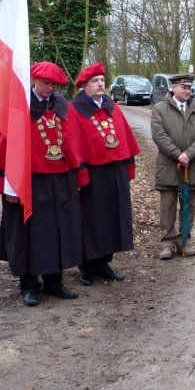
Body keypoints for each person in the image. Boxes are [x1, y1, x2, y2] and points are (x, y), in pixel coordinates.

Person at [0, 61, 88, 307]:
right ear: (34, 80)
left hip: (60, 180)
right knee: (29, 234)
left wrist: (78, 176)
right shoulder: (18, 106)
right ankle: (29, 285)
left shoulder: (63, 105)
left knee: (58, 232)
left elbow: (75, 142)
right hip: (28, 182)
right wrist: (8, 186)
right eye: (45, 83)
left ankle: (54, 282)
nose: (49, 88)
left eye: (53, 84)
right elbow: (4, 149)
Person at [69, 62, 140, 286]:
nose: (100, 84)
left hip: (115, 171)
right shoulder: (75, 109)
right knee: (91, 218)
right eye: (95, 81)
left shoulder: (112, 106)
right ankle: (87, 265)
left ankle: (104, 262)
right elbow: (73, 145)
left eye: (102, 80)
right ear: (84, 85)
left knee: (112, 216)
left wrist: (129, 165)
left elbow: (126, 137)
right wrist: (80, 173)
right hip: (93, 172)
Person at [151, 73, 195, 260]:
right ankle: (168, 243)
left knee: (188, 206)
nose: (187, 90)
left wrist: (188, 154)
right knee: (167, 206)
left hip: (192, 166)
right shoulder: (160, 108)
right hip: (169, 166)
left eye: (189, 87)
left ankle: (184, 241)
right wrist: (178, 155)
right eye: (183, 87)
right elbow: (159, 135)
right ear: (173, 87)